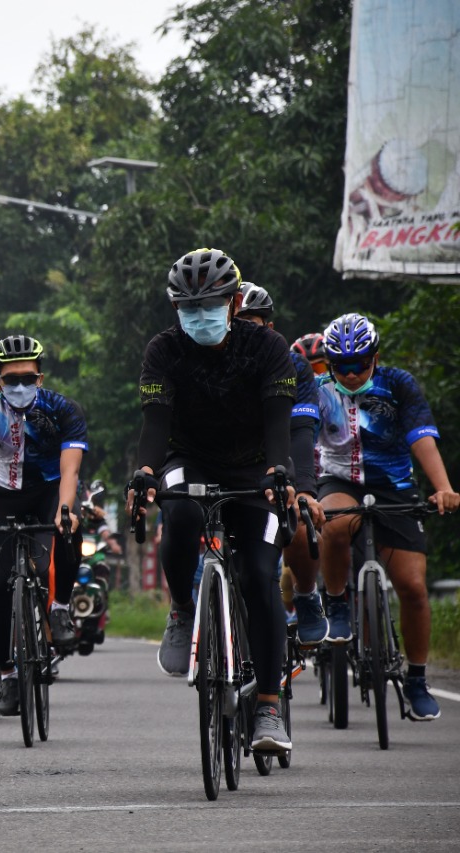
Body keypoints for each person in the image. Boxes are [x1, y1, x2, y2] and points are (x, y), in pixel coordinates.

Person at [127, 248, 297, 753]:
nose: (198, 316)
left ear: (234, 302)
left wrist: (279, 471)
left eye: (210, 304)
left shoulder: (266, 348)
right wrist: (144, 472)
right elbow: (155, 425)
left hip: (256, 465)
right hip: (190, 458)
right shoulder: (163, 350)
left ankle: (268, 706)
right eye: (187, 307)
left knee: (261, 578)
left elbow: (279, 423)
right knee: (178, 510)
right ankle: (182, 609)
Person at [314, 312, 458, 721]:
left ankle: (415, 678)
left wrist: (443, 487)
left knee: (413, 587)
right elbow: (300, 433)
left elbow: (421, 435)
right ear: (328, 364)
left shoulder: (398, 384)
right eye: (342, 366)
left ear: (375, 358)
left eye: (361, 363)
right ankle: (337, 605)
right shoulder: (319, 390)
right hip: (339, 479)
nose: (353, 373)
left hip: (393, 485)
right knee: (334, 523)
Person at [0, 334, 87, 716]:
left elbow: (70, 469)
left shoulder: (64, 410)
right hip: (3, 495)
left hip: (50, 490)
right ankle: (8, 673)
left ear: (40, 379)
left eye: (28, 378)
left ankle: (60, 607)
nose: (20, 386)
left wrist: (65, 509)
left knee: (67, 529)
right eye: (11, 379)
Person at [236, 283, 329, 644]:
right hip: (231, 465)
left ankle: (305, 594)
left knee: (303, 526)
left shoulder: (292, 365)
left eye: (252, 322)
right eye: (236, 322)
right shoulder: (209, 357)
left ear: (269, 328)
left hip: (280, 461)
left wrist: (304, 490)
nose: (243, 330)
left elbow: (301, 431)